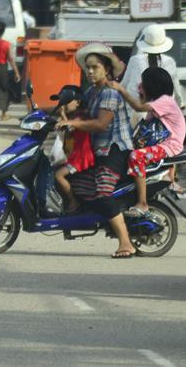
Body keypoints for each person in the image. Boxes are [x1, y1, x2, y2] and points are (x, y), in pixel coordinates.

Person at [57, 43, 137, 259]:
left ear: (107, 69)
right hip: (96, 151)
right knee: (75, 181)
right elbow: (80, 112)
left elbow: (101, 124)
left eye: (95, 67)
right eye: (88, 68)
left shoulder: (110, 93)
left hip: (114, 150)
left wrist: (72, 123)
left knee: (102, 194)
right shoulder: (92, 91)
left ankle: (125, 242)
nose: (90, 71)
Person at [110, 67, 186, 216]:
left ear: (152, 85)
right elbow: (144, 128)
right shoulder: (157, 103)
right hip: (162, 143)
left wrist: (121, 89)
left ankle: (142, 203)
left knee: (136, 157)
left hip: (170, 145)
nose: (139, 86)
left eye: (143, 83)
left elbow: (138, 107)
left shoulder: (165, 101)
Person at [119, 24, 184, 124]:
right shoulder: (169, 62)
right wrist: (180, 104)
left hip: (136, 111)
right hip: (162, 112)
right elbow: (176, 88)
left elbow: (124, 84)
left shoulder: (135, 60)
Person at [50, 85, 94, 213]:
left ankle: (73, 201)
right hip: (74, 156)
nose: (64, 105)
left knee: (59, 175)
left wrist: (63, 115)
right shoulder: (73, 116)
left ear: (78, 102)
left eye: (67, 102)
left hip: (81, 157)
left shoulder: (80, 116)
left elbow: (70, 128)